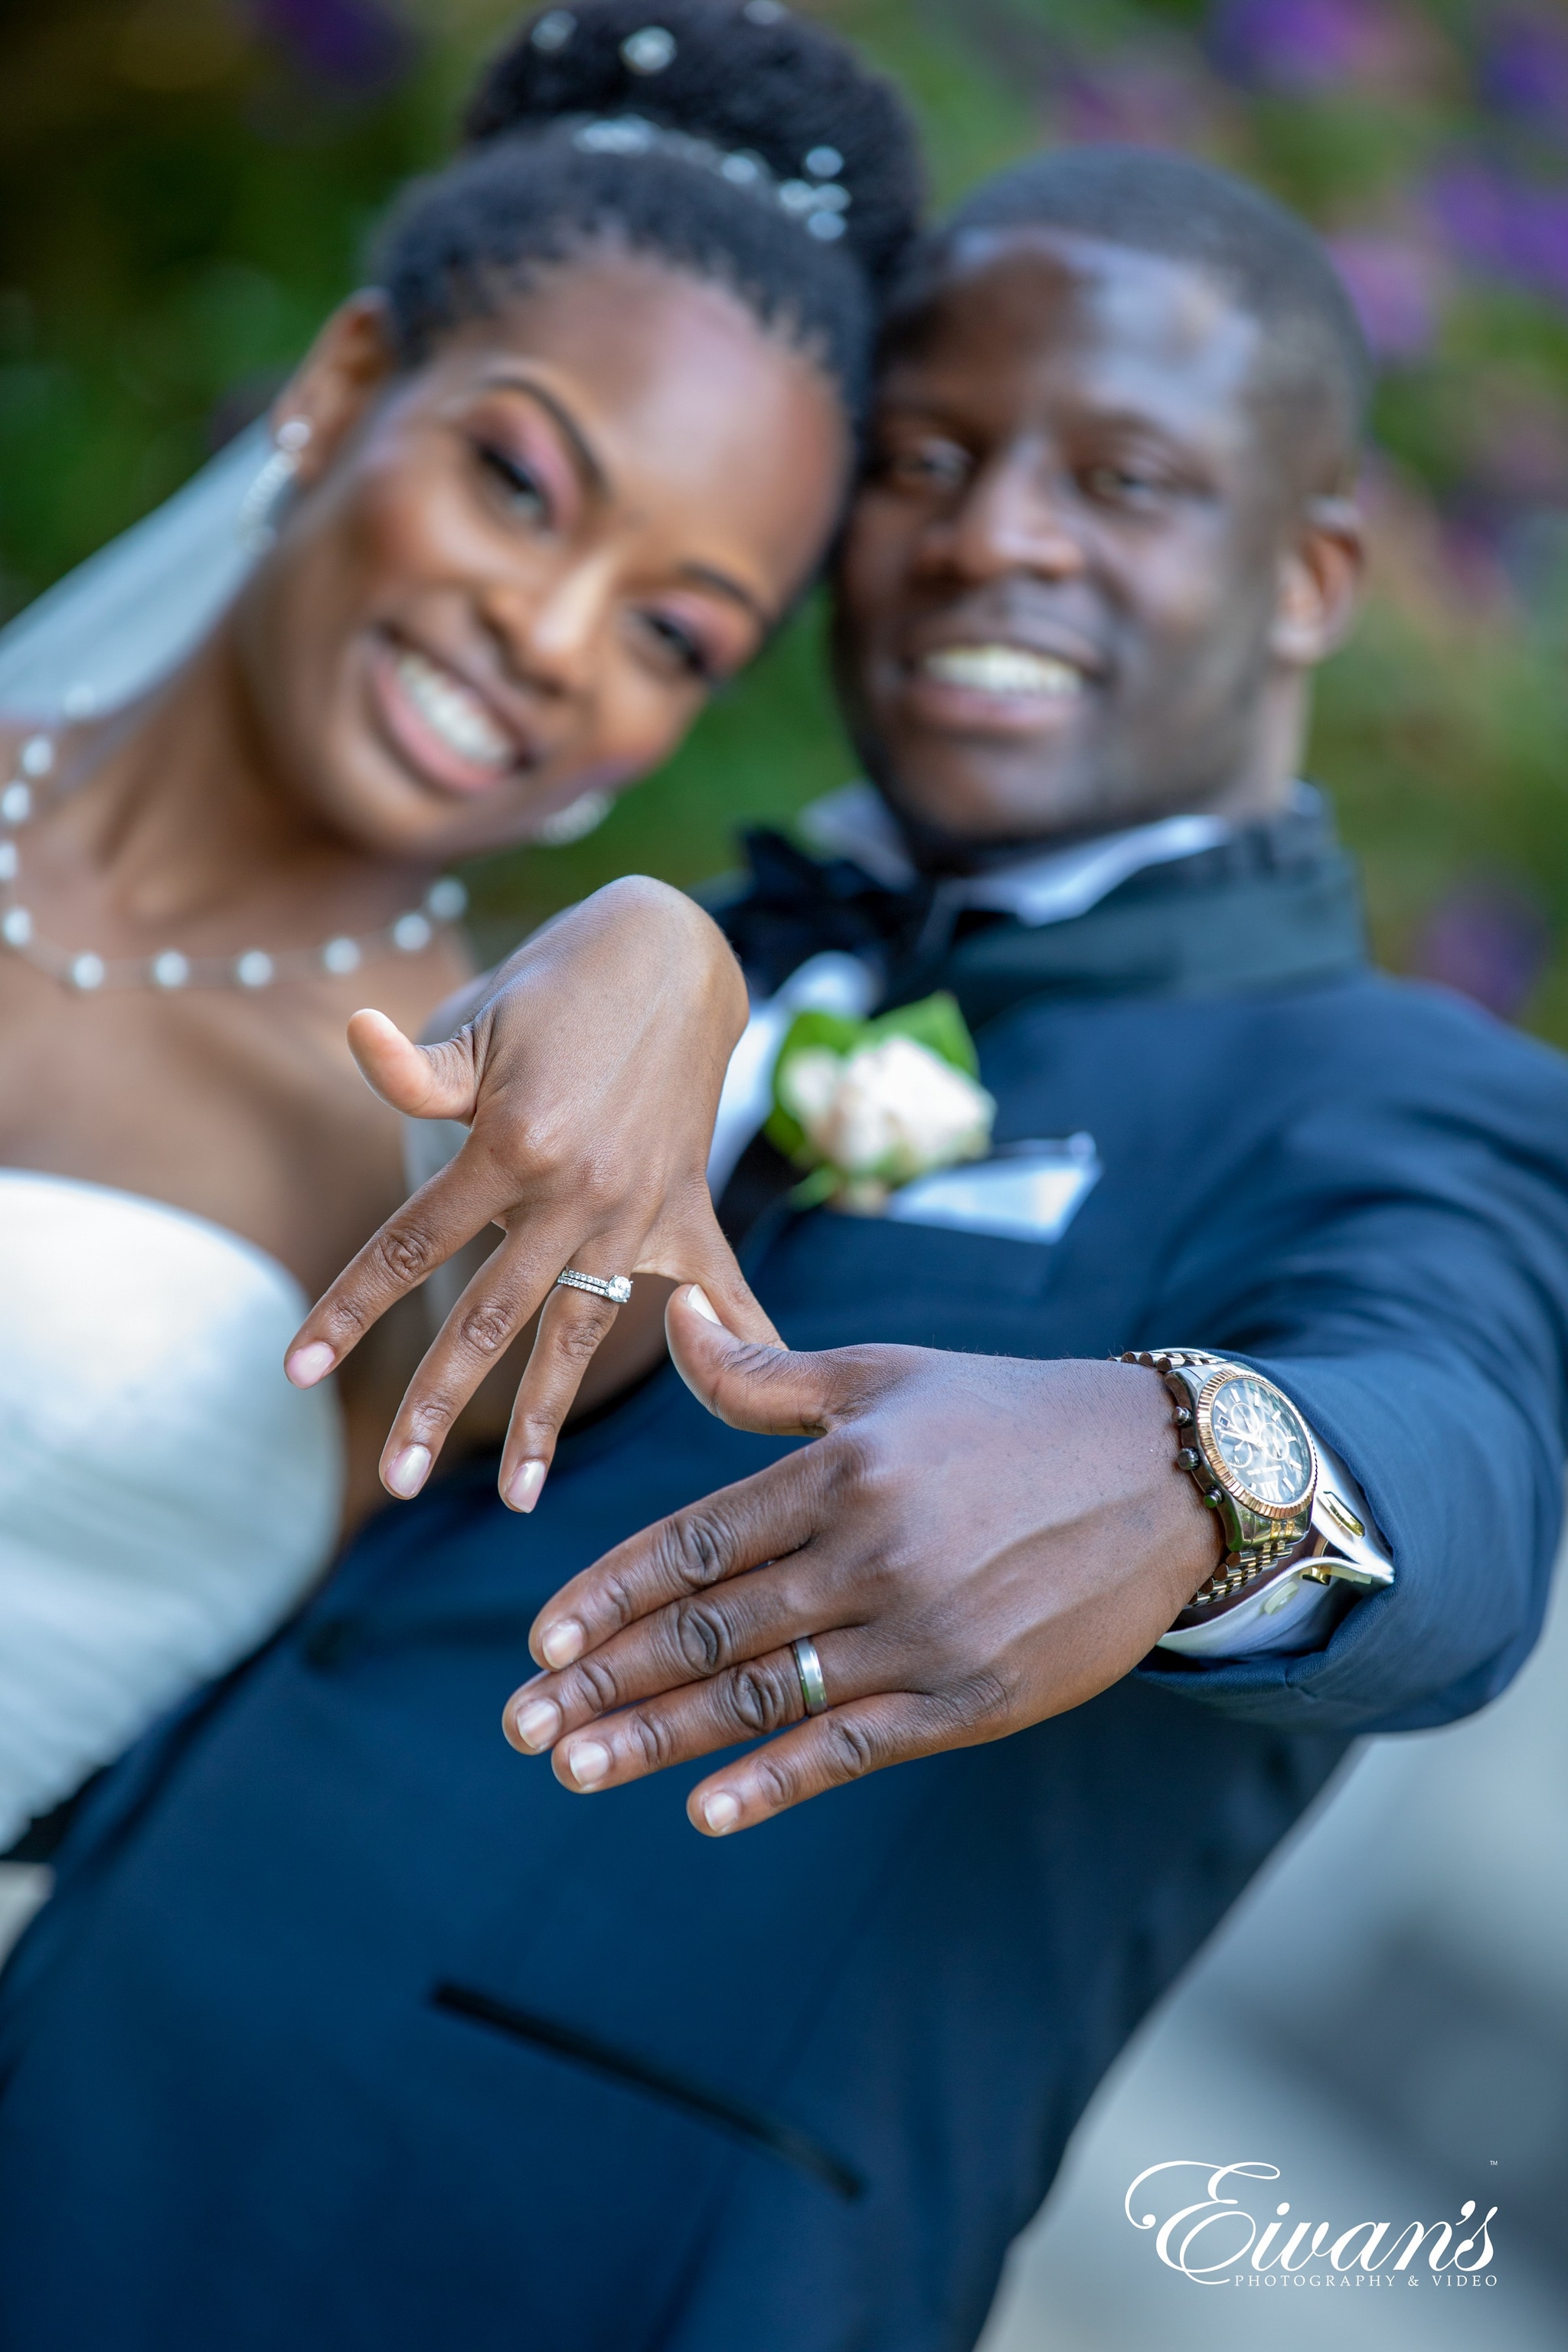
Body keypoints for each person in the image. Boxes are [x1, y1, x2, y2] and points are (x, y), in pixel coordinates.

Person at [3, 147, 1566, 2352]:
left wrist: (1196, 1467)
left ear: (1309, 573)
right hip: (72, 2092)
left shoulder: (1401, 1099)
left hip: (565, 2270)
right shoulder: (695, 952)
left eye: (1119, 478)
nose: (995, 530)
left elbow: (1466, 1465)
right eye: (927, 458)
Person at [0, 0, 923, 1862]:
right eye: (519, 485)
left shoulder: (497, 1157)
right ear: (340, 389)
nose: (555, 638)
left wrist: (676, 944)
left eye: (672, 634)